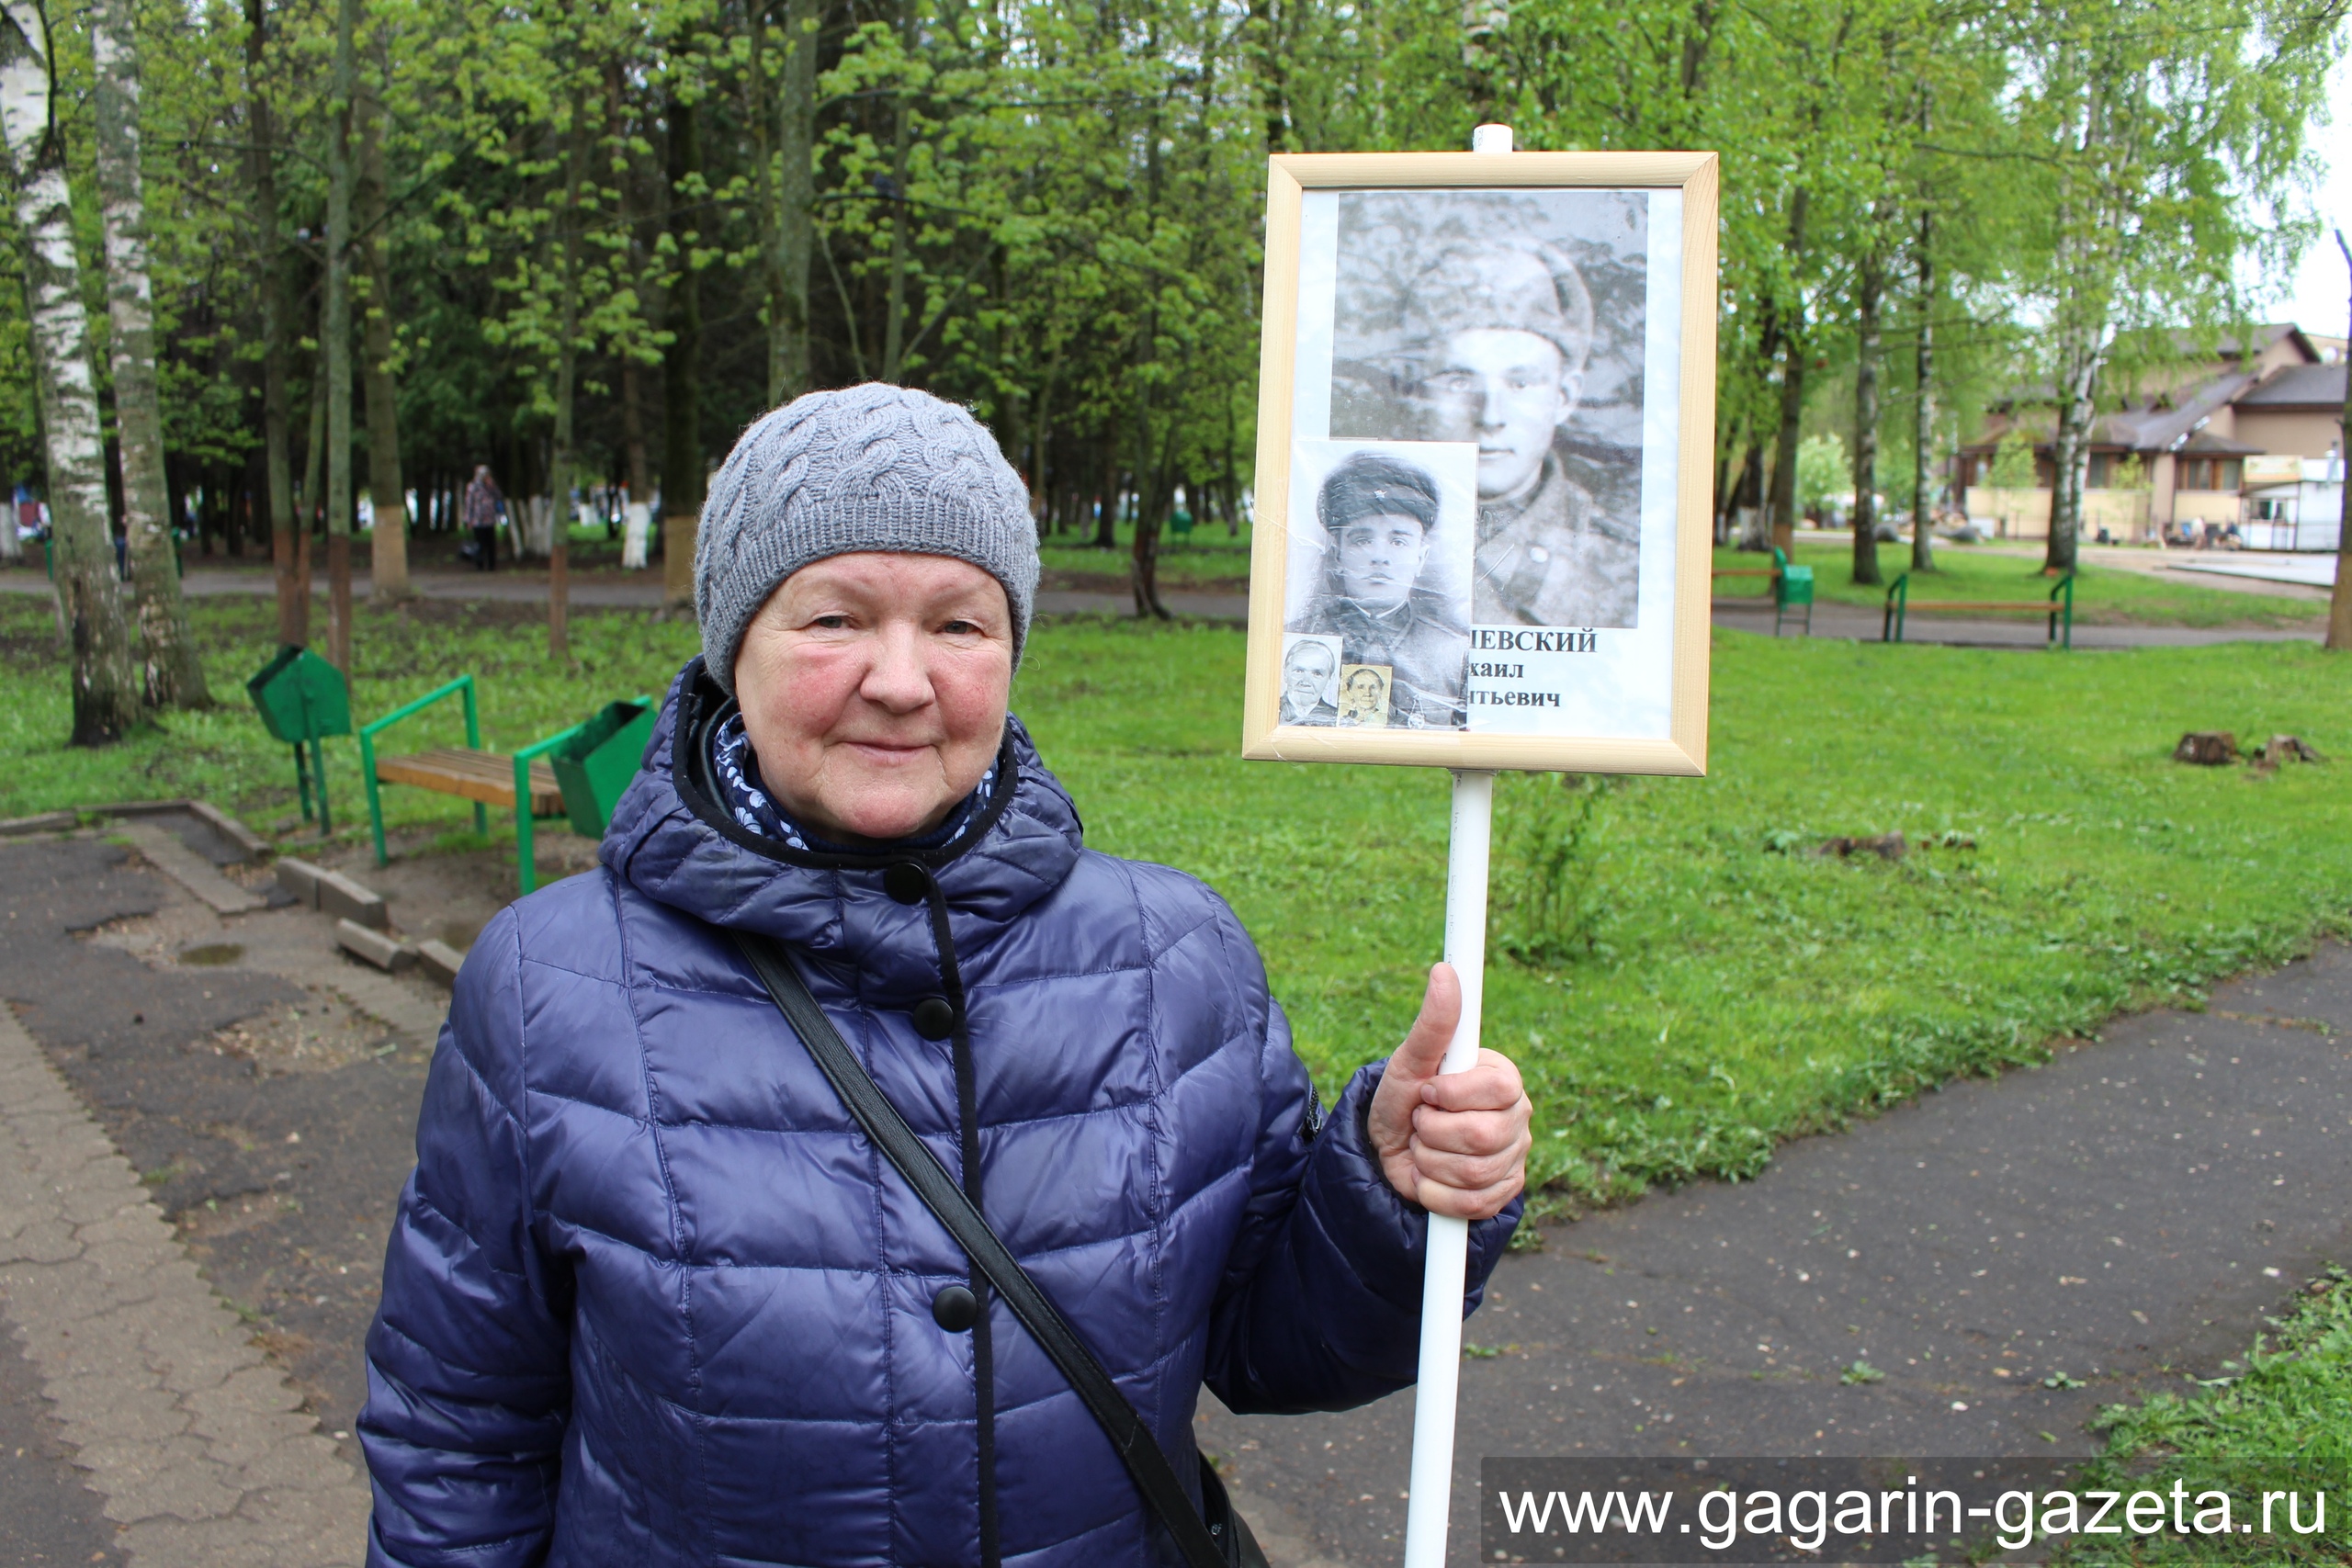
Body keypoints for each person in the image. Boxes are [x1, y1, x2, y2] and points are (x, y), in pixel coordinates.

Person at [359, 384, 1532, 1568]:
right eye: (833, 619)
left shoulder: (1174, 962)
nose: (903, 680)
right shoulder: (551, 987)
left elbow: (1276, 1349)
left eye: (960, 625)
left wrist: (1386, 1202)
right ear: (731, 648)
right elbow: (459, 1436)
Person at [1398, 241, 1639, 629]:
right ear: (1415, 393)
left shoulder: (1623, 568)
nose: (1490, 417)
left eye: (1521, 382)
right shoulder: (1349, 533)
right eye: (1459, 381)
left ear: (1564, 397)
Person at [1284, 450, 1469, 728]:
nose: (1380, 557)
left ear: (1421, 558)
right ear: (1338, 556)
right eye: (1362, 540)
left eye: (1398, 542)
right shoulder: (1300, 638)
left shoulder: (1453, 652)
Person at [1278, 637, 1340, 726]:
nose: (1306, 682)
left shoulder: (1339, 719)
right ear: (1285, 673)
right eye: (1299, 671)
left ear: (1330, 680)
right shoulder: (1267, 711)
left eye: (1317, 674)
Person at [462, 465, 503, 571]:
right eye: (485, 475)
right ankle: (479, 565)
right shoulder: (473, 486)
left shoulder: (491, 487)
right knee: (480, 544)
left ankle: (491, 566)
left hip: (490, 520)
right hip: (478, 520)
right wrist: (468, 519)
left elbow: (498, 497)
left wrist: (492, 487)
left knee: (491, 544)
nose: (487, 477)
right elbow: (469, 503)